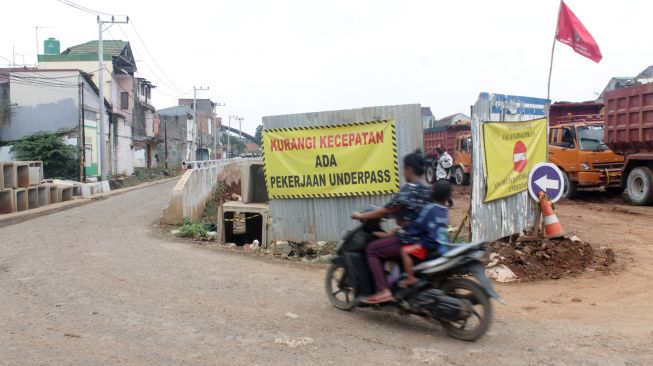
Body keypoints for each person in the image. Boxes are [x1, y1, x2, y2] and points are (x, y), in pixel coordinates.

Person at [351, 150, 431, 304]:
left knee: (372, 249)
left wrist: (361, 216)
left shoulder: (410, 188)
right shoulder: (428, 188)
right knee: (389, 238)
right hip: (424, 239)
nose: (403, 173)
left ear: (408, 169)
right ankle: (394, 282)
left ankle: (383, 290)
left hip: (411, 239)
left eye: (403, 169)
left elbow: (388, 210)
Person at [399, 180, 452, 288]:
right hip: (442, 245)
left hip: (429, 245)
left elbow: (418, 224)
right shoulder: (444, 210)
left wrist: (408, 230)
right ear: (446, 197)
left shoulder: (430, 208)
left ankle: (410, 279)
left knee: (404, 251)